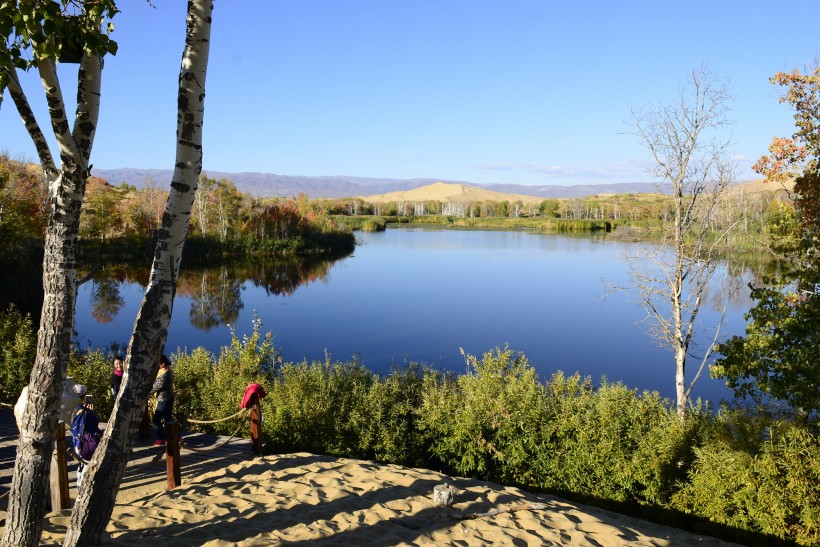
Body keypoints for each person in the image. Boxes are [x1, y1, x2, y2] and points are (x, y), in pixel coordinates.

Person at [69, 384, 101, 485]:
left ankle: (79, 483)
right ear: (84, 395)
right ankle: (82, 486)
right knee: (86, 466)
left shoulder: (70, 409)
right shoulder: (85, 411)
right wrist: (91, 412)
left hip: (76, 441)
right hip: (85, 442)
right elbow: (93, 425)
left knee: (81, 464)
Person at [150, 354, 174, 446]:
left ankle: (161, 438)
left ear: (162, 364)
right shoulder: (166, 370)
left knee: (156, 420)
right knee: (168, 418)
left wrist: (145, 395)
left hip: (164, 399)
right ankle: (176, 436)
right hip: (168, 397)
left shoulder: (164, 374)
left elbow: (156, 387)